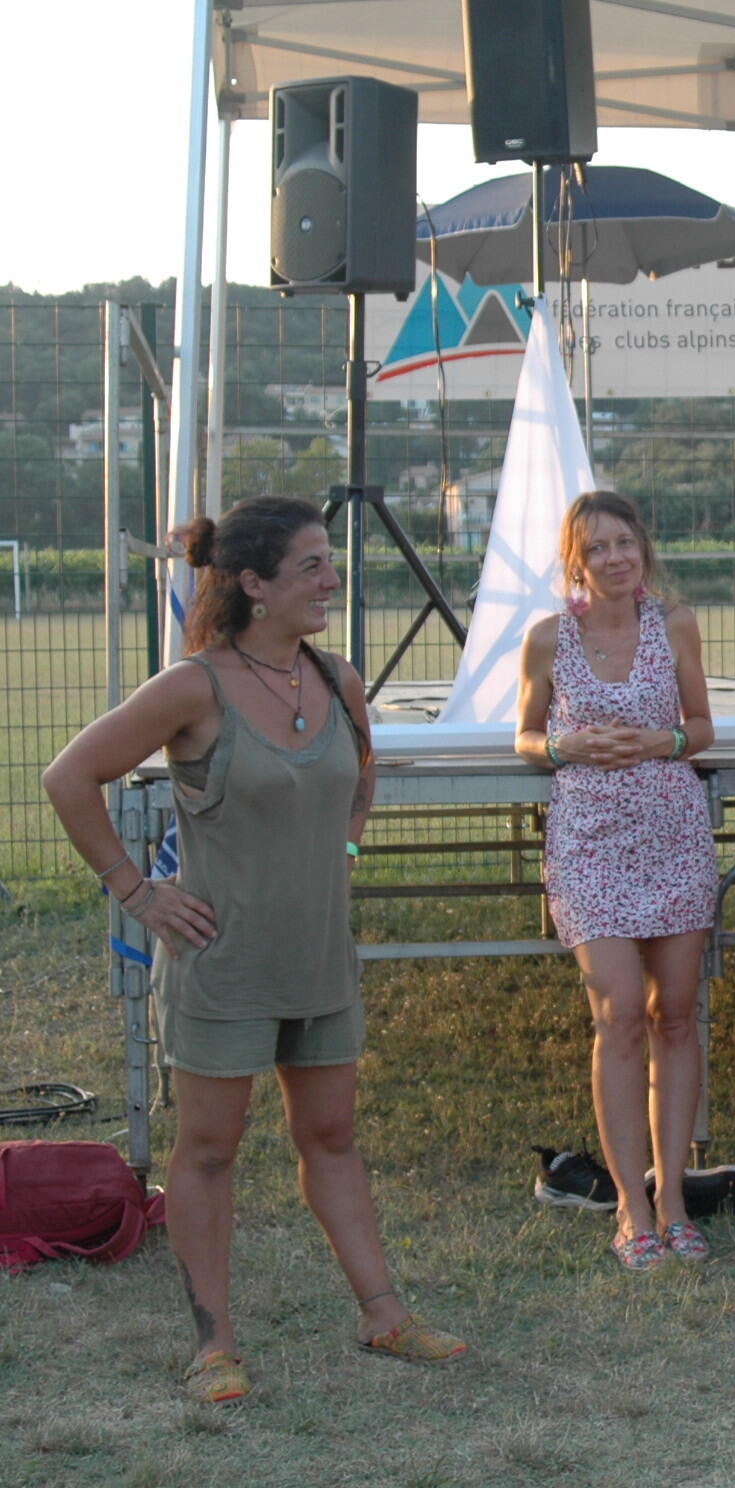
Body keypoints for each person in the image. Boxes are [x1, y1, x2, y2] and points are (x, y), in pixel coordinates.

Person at [42, 497, 464, 1404]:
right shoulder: (192, 686)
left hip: (319, 960)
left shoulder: (339, 680)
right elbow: (68, 776)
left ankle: (384, 1316)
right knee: (208, 1151)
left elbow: (362, 776)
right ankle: (214, 1346)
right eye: (312, 565)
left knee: (332, 1138)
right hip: (221, 966)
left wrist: (343, 849)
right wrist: (137, 892)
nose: (332, 579)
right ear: (253, 585)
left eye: (329, 562)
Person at [516, 491, 719, 1270]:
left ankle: (673, 1201)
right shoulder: (548, 638)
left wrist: (665, 741)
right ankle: (630, 1207)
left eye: (624, 543)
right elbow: (524, 734)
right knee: (621, 1011)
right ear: (576, 561)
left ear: (643, 547)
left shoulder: (675, 624)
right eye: (596, 548)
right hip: (589, 842)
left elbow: (701, 727)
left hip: (672, 832)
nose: (614, 558)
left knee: (677, 1013)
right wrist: (563, 748)